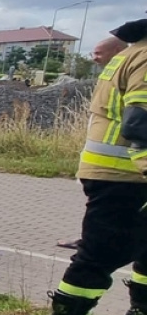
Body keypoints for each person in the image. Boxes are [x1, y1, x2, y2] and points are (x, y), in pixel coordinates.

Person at [44, 19, 147, 315]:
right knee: (105, 249)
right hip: (123, 172)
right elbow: (140, 124)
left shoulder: (133, 52)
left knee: (142, 243)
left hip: (121, 170)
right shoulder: (144, 57)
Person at [55, 33, 132, 250]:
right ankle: (93, 241)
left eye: (98, 53)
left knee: (104, 213)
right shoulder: (114, 72)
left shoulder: (128, 71)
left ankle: (94, 245)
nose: (94, 58)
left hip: (120, 162)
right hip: (108, 160)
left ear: (116, 51)